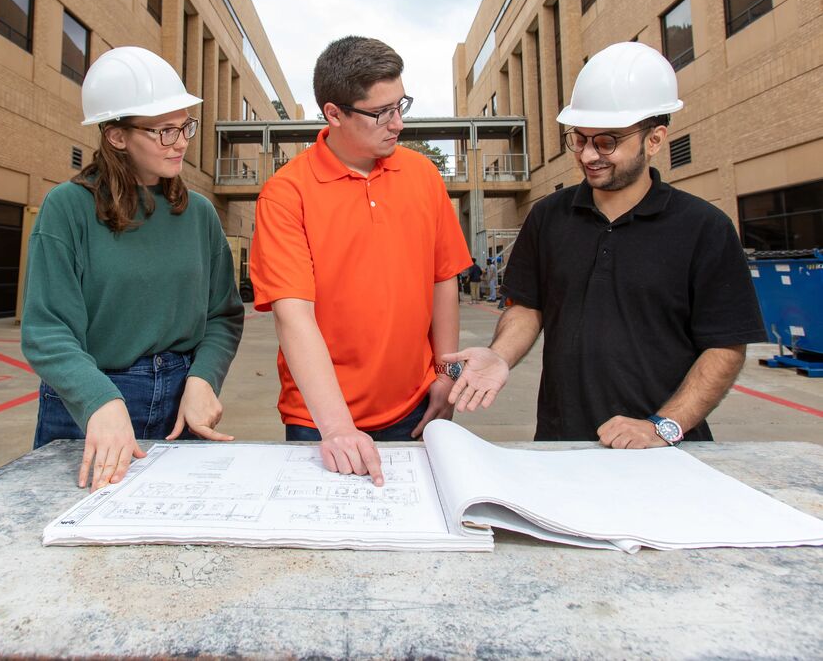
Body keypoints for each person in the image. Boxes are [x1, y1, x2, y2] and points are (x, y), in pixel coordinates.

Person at [442, 42, 766, 448]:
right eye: (579, 140)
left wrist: (662, 426)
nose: (589, 155)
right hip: (563, 444)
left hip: (667, 453)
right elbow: (528, 307)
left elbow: (725, 347)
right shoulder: (547, 218)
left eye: (608, 142)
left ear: (654, 140)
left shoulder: (705, 229)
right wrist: (499, 355)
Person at [250, 36, 471, 485]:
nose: (398, 123)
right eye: (380, 113)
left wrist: (446, 375)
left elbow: (442, 278)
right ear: (334, 113)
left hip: (416, 406)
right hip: (321, 420)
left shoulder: (423, 176)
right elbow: (294, 317)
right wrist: (336, 428)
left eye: (401, 104)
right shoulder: (287, 194)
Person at [22, 46, 244, 491]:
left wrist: (203, 378)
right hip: (90, 403)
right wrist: (98, 400)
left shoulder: (200, 214)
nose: (181, 141)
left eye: (186, 126)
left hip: (182, 400)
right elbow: (47, 331)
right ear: (116, 136)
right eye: (164, 130)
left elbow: (224, 314)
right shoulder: (67, 209)